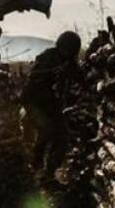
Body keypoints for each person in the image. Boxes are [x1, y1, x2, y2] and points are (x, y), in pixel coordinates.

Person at [19, 31, 82, 183]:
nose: (66, 52)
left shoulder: (70, 64)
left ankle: (49, 173)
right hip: (33, 100)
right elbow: (34, 75)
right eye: (64, 48)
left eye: (69, 50)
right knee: (46, 129)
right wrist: (53, 72)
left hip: (50, 103)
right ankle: (35, 163)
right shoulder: (48, 56)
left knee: (62, 137)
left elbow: (80, 77)